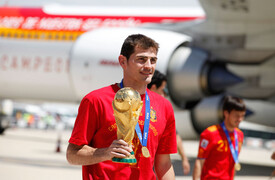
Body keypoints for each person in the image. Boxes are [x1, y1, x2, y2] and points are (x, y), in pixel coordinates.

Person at [66, 34, 177, 180]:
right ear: (122, 61)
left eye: (153, 60)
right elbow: (72, 154)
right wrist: (106, 153)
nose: (149, 66)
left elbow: (164, 164)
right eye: (141, 59)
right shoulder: (95, 100)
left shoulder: (164, 106)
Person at [147, 70, 191, 175]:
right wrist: (184, 158)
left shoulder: (161, 110)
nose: (164, 94)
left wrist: (184, 158)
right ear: (153, 88)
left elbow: (175, 136)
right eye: (163, 90)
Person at [193, 96, 246, 180]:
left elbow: (233, 161)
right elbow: (199, 161)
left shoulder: (239, 135)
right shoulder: (210, 133)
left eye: (242, 115)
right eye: (236, 115)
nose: (240, 119)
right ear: (226, 113)